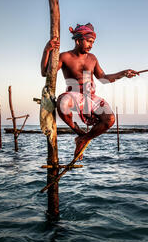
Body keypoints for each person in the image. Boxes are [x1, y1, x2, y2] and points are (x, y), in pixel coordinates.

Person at [41, 23, 138, 159]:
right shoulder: (64, 57)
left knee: (109, 119)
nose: (91, 45)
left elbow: (103, 78)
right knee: (63, 102)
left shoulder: (92, 58)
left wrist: (123, 73)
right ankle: (78, 132)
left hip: (90, 97)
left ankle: (83, 139)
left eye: (93, 42)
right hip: (73, 95)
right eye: (89, 41)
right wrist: (47, 51)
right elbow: (45, 73)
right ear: (78, 40)